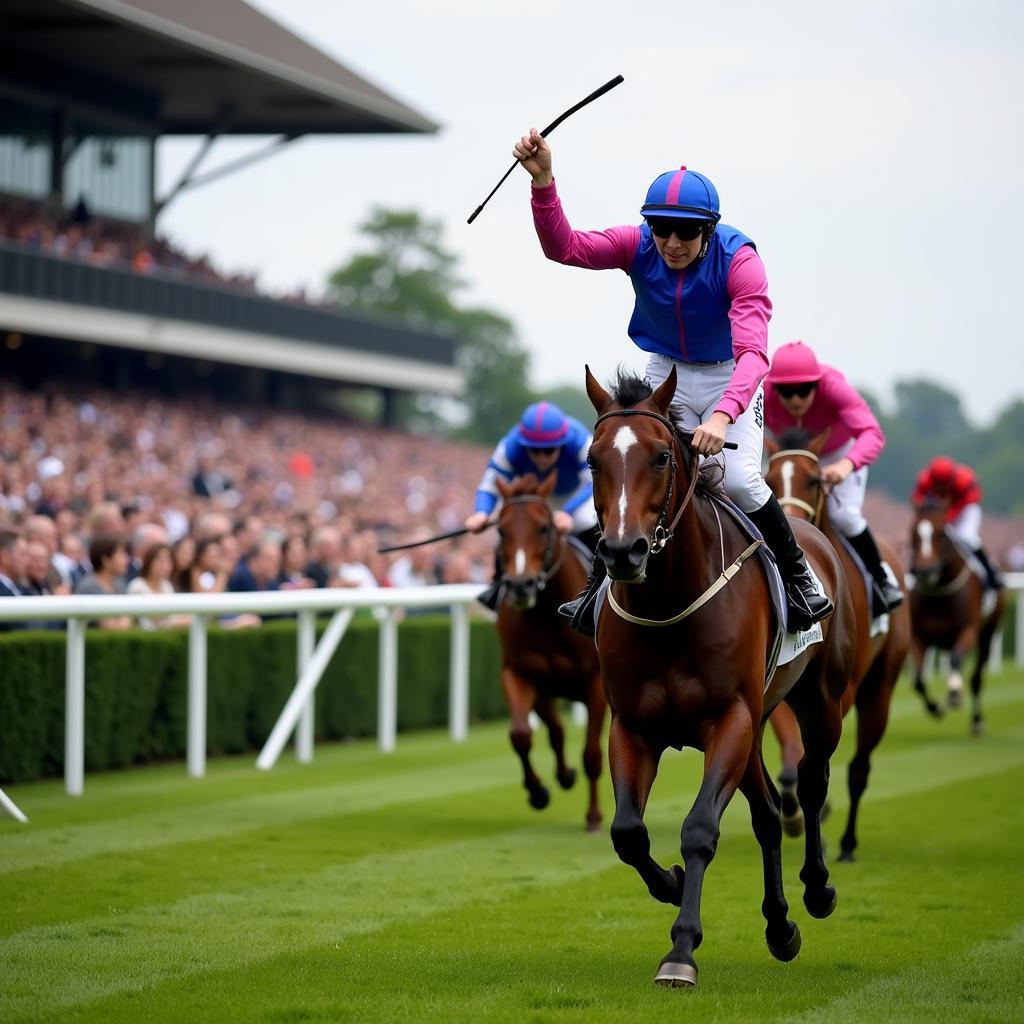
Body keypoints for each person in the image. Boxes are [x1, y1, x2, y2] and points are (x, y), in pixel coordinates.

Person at [514, 130, 832, 632]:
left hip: (732, 374)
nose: (672, 243)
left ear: (709, 230)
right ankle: (597, 585)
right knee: (632, 462)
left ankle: (799, 576)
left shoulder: (741, 262)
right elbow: (566, 248)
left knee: (743, 480)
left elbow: (753, 354)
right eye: (661, 230)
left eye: (686, 232)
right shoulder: (637, 244)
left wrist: (725, 415)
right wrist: (544, 183)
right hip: (666, 370)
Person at [764, 341, 903, 613]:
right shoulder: (762, 390)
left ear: (817, 384)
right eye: (786, 391)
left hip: (836, 454)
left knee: (844, 516)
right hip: (784, 454)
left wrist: (846, 465)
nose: (795, 400)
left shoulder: (835, 387)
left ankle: (882, 578)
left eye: (804, 390)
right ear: (773, 387)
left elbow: (872, 433)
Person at [464, 401, 598, 612]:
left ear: (562, 443)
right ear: (524, 444)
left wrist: (567, 512)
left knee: (583, 520)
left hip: (579, 494)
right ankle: (497, 586)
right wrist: (482, 513)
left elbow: (595, 481)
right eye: (534, 451)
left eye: (549, 450)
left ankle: (600, 582)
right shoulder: (510, 445)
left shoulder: (580, 440)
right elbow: (489, 485)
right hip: (536, 497)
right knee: (514, 525)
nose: (542, 457)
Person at [912, 456, 1004, 590]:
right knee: (926, 534)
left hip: (966, 508)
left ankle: (991, 573)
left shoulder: (965, 480)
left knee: (967, 537)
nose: (940, 488)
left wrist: (944, 518)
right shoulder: (924, 479)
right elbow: (917, 500)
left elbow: (965, 503)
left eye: (943, 485)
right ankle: (914, 570)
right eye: (937, 484)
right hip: (943, 510)